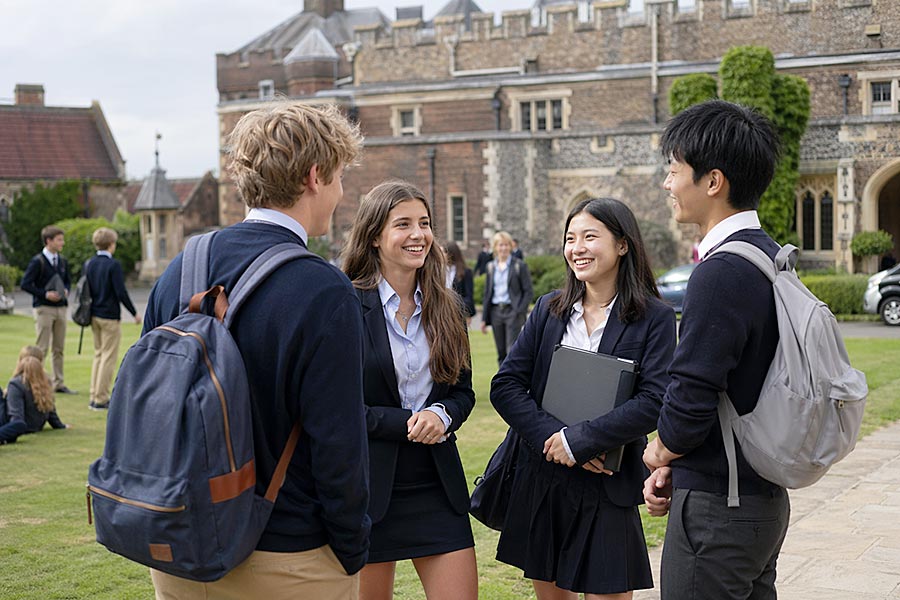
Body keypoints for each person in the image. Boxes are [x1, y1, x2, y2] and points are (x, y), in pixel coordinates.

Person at [144, 102, 371, 599]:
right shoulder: (323, 288)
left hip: (180, 542)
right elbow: (340, 446)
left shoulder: (181, 269)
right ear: (315, 176)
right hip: (287, 554)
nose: (340, 192)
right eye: (338, 178)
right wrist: (352, 550)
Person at [490, 198, 676, 600]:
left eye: (590, 236)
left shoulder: (654, 318)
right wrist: (559, 440)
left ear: (622, 244)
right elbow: (505, 385)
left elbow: (655, 398)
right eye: (570, 238)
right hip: (545, 479)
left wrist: (582, 441)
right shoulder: (548, 310)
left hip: (607, 485)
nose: (577, 247)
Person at [642, 99, 788, 600]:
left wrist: (658, 452)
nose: (667, 184)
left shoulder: (720, 271)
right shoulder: (771, 257)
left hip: (718, 512)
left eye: (674, 170)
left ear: (712, 182)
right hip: (761, 500)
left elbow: (691, 399)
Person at [342, 181, 478, 600]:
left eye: (424, 223)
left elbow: (463, 392)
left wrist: (442, 414)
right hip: (367, 487)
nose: (418, 234)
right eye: (403, 224)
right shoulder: (344, 303)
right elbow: (340, 406)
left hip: (437, 484)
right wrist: (407, 423)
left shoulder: (447, 305)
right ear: (374, 237)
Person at [85, 227, 141, 411]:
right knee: (108, 357)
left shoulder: (90, 263)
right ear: (111, 244)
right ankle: (101, 399)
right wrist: (134, 312)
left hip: (94, 314)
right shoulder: (113, 265)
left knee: (99, 355)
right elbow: (120, 292)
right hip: (109, 315)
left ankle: (94, 394)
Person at [20, 225, 75, 394]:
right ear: (48, 241)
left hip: (61, 309)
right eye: (59, 240)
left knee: (59, 348)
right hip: (44, 308)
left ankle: (58, 383)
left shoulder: (63, 261)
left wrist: (66, 290)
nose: (62, 243)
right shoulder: (38, 262)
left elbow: (67, 281)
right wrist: (45, 294)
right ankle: (35, 382)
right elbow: (25, 284)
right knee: (41, 347)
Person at [481, 231, 533, 365]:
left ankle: (512, 383)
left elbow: (528, 292)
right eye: (500, 245)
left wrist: (519, 311)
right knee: (501, 352)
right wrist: (484, 319)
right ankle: (502, 383)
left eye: (506, 245)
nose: (503, 248)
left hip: (512, 312)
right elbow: (487, 293)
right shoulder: (491, 267)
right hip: (496, 312)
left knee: (512, 351)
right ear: (495, 247)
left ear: (510, 246)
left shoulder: (519, 266)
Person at [0, 345, 69, 444]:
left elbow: (16, 417)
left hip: (19, 425)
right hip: (35, 426)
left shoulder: (16, 384)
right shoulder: (46, 380)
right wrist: (60, 425)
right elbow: (51, 410)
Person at [445, 241, 476, 325]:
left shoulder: (465, 272)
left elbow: (469, 295)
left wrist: (468, 314)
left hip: (458, 313)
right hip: (442, 313)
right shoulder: (439, 271)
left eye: (444, 253)